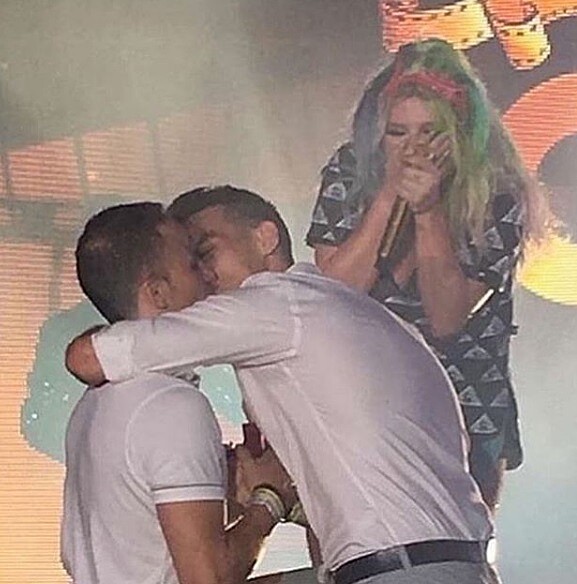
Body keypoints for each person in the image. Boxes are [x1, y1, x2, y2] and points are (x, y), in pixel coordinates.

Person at [67, 186, 496, 584]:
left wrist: (267, 501)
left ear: (265, 237)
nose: (204, 275)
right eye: (193, 262)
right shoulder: (350, 314)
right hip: (451, 565)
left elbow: (88, 358)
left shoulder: (273, 306)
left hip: (402, 569)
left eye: (206, 252)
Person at [306, 38, 551, 513]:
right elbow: (336, 293)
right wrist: (388, 195)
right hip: (367, 397)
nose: (413, 148)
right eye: (398, 133)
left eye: (429, 132)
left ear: (460, 132)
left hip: (464, 404)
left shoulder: (498, 193)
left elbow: (447, 318)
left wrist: (427, 211)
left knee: (456, 541)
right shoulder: (350, 171)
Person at [61, 202, 298, 584]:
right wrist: (270, 498)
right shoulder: (171, 405)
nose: (207, 274)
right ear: (158, 292)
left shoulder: (92, 404)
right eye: (192, 263)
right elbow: (207, 578)